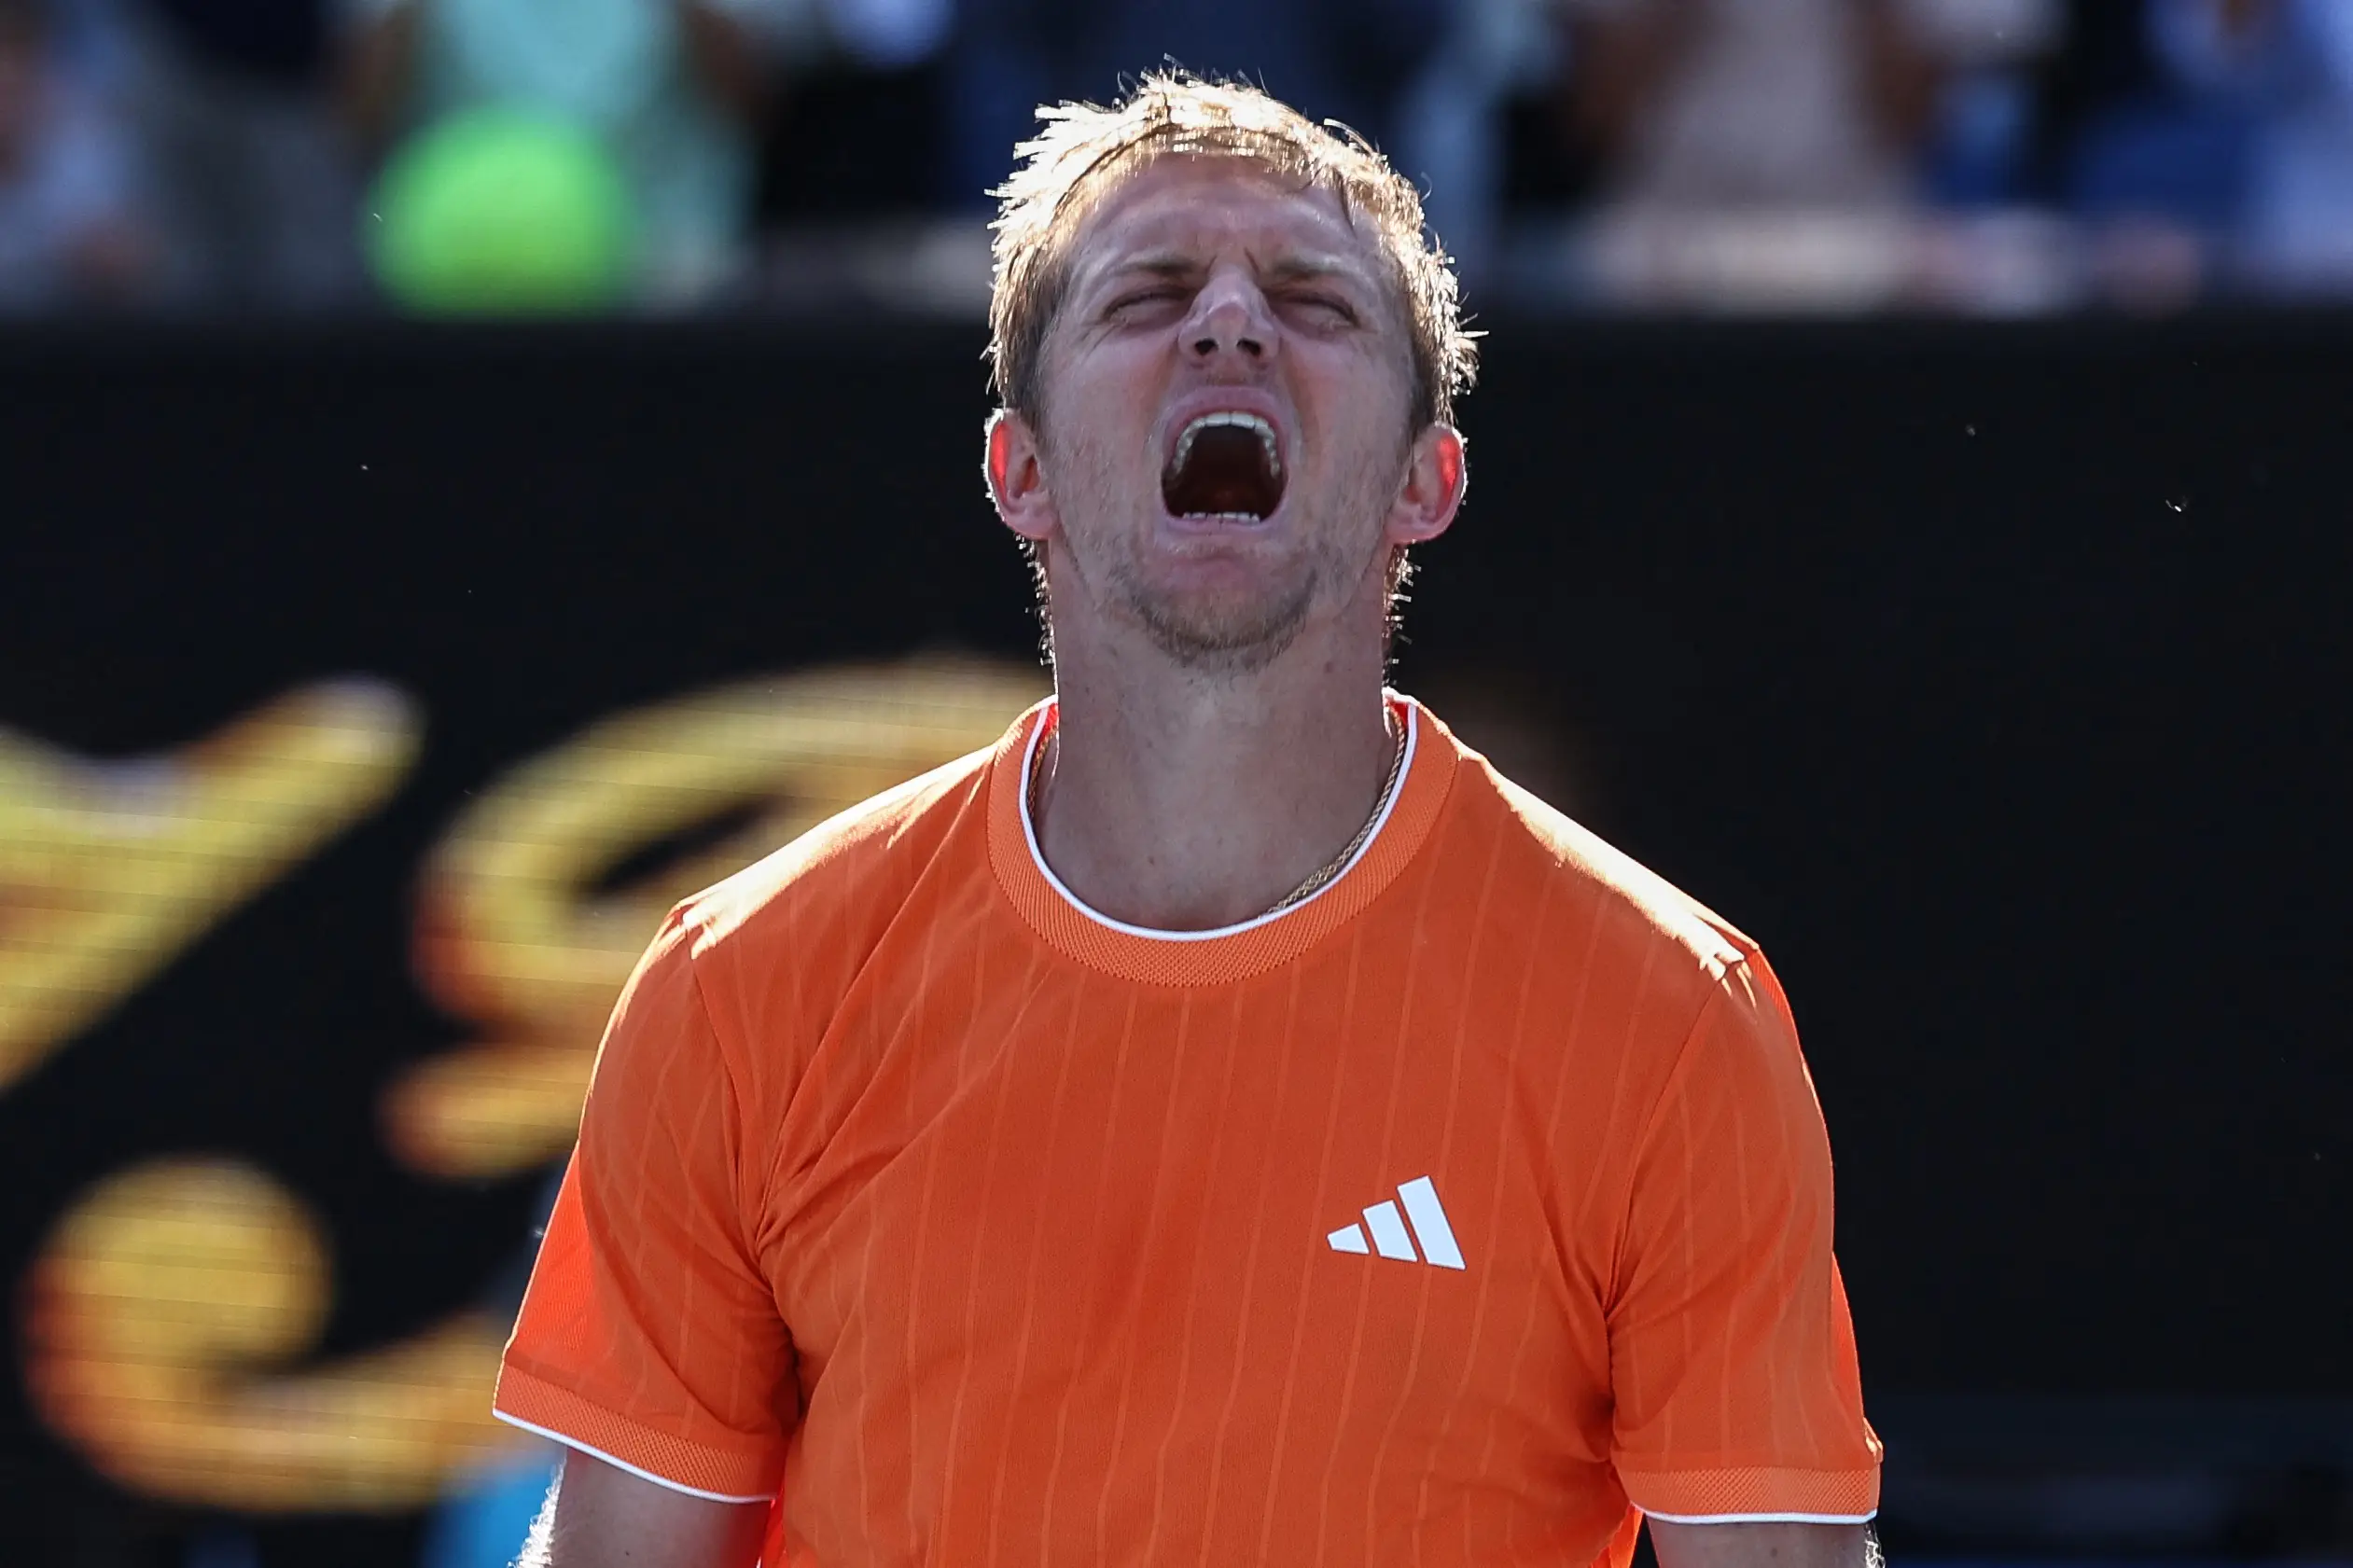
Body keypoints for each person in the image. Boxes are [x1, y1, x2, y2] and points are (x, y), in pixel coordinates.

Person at [491, 74, 1882, 1568]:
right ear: (1017, 472)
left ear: (1426, 481)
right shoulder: (738, 991)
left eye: (1313, 300)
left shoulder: (1669, 1023)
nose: (1230, 323)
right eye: (1148, 293)